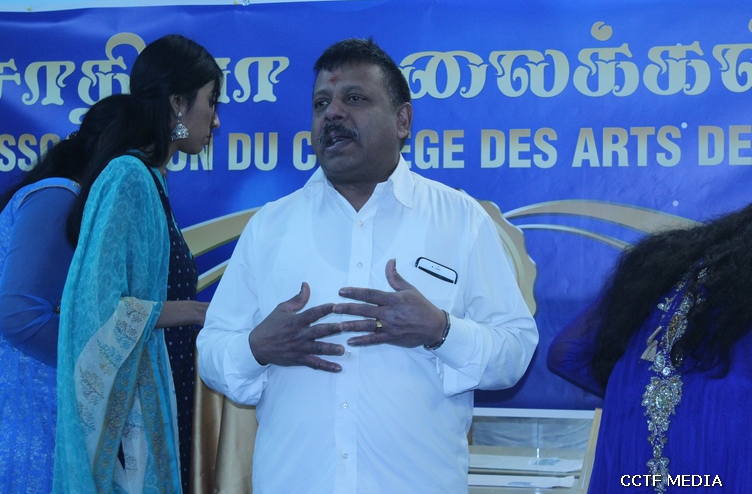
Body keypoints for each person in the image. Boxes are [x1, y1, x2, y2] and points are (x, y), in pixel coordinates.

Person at [197, 37, 539, 493]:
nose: (332, 114)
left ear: (403, 120)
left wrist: (440, 330)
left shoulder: (460, 221)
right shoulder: (270, 227)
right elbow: (212, 351)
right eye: (321, 103)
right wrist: (257, 347)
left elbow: (515, 349)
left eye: (354, 99)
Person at [53, 34, 222, 493]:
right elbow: (99, 308)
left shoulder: (151, 179)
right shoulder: (128, 177)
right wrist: (201, 312)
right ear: (178, 103)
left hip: (165, 388)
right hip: (131, 418)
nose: (216, 120)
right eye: (211, 101)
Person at [0, 93, 128, 494]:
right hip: (11, 402)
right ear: (107, 148)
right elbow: (20, 318)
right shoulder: (58, 196)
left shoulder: (67, 198)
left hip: (22, 393)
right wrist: (101, 361)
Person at [547, 205, 752, 493]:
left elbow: (566, 352)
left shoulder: (665, 263)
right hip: (724, 443)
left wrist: (633, 391)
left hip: (632, 444)